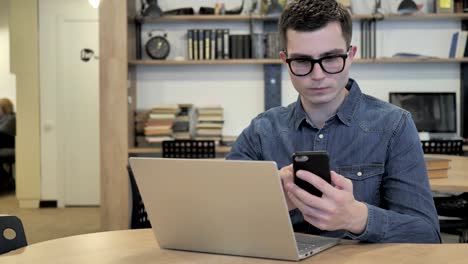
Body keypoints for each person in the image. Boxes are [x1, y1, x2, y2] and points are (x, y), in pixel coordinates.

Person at [226, 0, 440, 243]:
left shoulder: (394, 126)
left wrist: (358, 218)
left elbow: (427, 234)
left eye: (330, 58)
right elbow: (216, 217)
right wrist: (267, 201)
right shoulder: (261, 131)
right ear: (285, 60)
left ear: (350, 55)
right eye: (302, 61)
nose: (318, 75)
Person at [0, 97, 16, 191]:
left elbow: (2, 133)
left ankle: (7, 182)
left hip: (9, 148)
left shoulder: (11, 119)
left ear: (5, 108)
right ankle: (7, 181)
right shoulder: (2, 119)